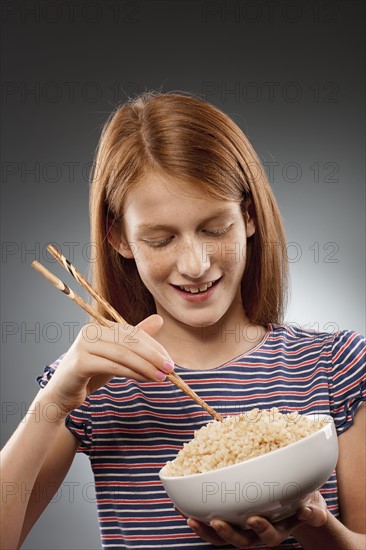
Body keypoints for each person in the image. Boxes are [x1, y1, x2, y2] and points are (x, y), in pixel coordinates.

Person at [1, 91, 365, 550]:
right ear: (120, 239)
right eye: (160, 239)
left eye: (215, 229)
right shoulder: (94, 381)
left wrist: (312, 524)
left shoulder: (334, 364)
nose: (194, 264)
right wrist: (56, 395)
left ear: (249, 216)